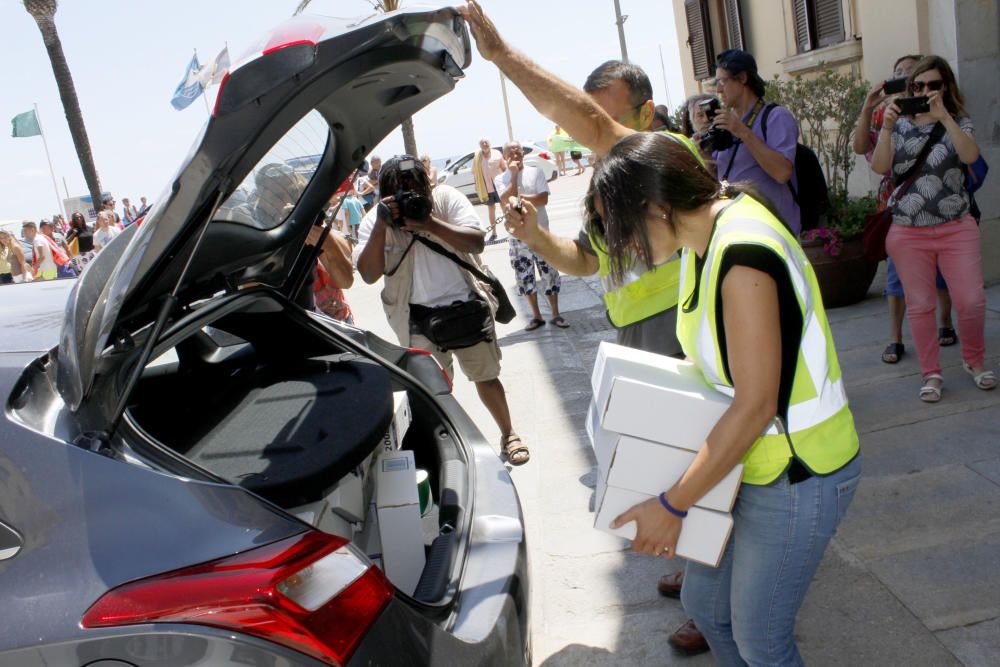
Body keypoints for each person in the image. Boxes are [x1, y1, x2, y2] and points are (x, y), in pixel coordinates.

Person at [460, 7, 708, 654]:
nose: (592, 131)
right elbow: (586, 259)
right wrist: (534, 235)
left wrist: (504, 57)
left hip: (684, 327)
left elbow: (595, 129)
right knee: (668, 467)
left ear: (647, 115)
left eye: (604, 116)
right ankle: (697, 571)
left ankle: (714, 604)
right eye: (591, 114)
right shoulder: (610, 177)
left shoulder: (670, 152)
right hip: (636, 338)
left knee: (702, 464)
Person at [354, 155, 528, 464]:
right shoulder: (376, 219)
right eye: (399, 191)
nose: (408, 196)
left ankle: (508, 433)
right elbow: (368, 275)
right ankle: (450, 449)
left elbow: (476, 243)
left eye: (414, 188)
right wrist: (383, 224)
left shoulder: (446, 199)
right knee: (432, 392)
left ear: (426, 184)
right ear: (385, 193)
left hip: (467, 309)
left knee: (486, 378)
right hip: (416, 320)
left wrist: (428, 222)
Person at [871, 55, 994, 400]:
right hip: (908, 231)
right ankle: (932, 373)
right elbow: (881, 166)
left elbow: (970, 156)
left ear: (946, 87)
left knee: (971, 300)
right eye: (919, 86)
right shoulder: (899, 125)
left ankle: (974, 361)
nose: (926, 91)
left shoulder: (959, 121)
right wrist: (886, 128)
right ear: (910, 89)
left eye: (934, 85)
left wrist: (944, 118)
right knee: (920, 304)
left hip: (956, 225)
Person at [853, 54, 956, 364]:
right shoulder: (887, 114)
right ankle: (896, 337)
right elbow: (861, 148)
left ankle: (945, 322)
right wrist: (869, 107)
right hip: (898, 204)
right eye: (899, 74)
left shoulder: (942, 112)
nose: (906, 81)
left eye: (911, 76)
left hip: (939, 203)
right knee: (896, 277)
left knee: (941, 275)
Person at [710, 49, 802, 235]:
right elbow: (718, 177)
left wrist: (742, 131)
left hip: (775, 232)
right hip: (738, 230)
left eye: (722, 81)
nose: (718, 89)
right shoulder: (725, 123)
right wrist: (701, 154)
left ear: (742, 78)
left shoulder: (775, 117)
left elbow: (782, 172)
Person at [495, 141, 568, 331]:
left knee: (550, 273)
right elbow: (505, 200)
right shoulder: (501, 178)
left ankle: (556, 314)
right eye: (511, 152)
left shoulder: (535, 172)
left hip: (541, 233)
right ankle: (536, 316)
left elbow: (543, 198)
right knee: (524, 277)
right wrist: (513, 175)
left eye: (518, 151)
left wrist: (520, 200)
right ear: (504, 156)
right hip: (518, 237)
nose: (515, 155)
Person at [472, 138, 507, 239]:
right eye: (482, 143)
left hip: (500, 185)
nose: (484, 144)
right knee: (491, 209)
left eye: (486, 142)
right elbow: (475, 173)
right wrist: (477, 186)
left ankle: (510, 229)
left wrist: (506, 181)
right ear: (480, 145)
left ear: (489, 143)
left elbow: (504, 168)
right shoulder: (477, 157)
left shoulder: (497, 153)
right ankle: (494, 233)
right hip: (487, 187)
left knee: (504, 207)